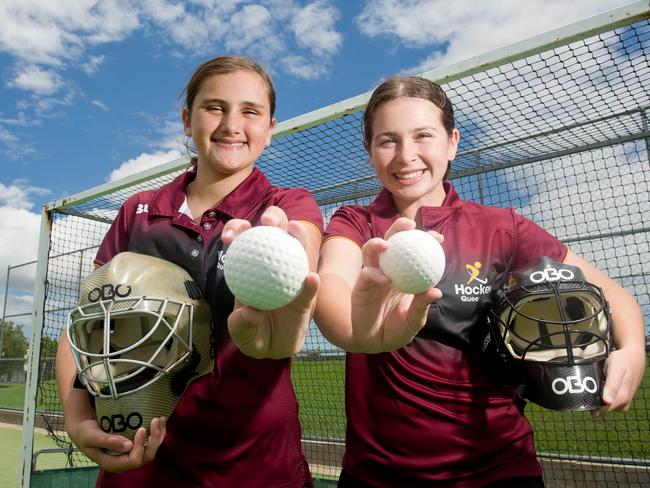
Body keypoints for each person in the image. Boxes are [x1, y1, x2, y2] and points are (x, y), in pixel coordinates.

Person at [314, 75, 646, 487]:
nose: (406, 155)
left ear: (452, 142)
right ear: (369, 151)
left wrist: (631, 348)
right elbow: (332, 287)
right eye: (388, 141)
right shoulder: (354, 222)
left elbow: (611, 293)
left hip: (499, 469)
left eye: (423, 136)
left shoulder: (501, 228)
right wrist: (354, 330)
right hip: (377, 474)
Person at [55, 55, 323, 488]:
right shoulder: (136, 212)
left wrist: (292, 261)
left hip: (255, 466)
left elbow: (302, 248)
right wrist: (77, 416)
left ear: (271, 128)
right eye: (214, 107)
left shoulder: (288, 205)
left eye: (250, 111)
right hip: (139, 461)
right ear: (187, 119)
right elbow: (84, 322)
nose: (231, 124)